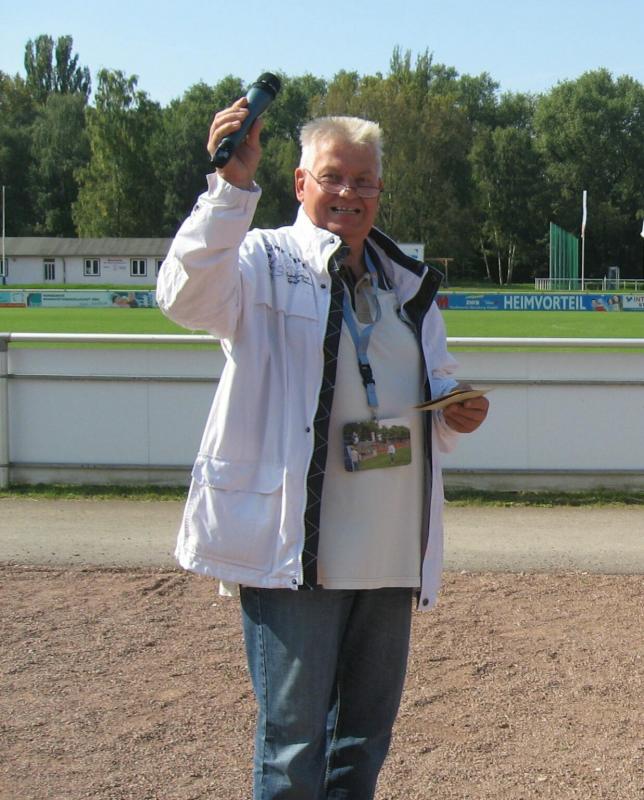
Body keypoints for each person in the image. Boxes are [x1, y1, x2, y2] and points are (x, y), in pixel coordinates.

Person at [156, 95, 489, 800]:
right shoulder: (260, 260)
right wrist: (230, 190)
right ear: (301, 182)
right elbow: (183, 297)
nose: (349, 193)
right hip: (296, 551)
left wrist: (455, 408)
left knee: (363, 742)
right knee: (293, 746)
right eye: (334, 176)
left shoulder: (405, 284)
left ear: (380, 190)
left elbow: (435, 376)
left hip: (388, 550)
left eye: (364, 180)